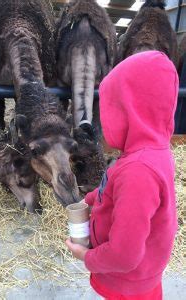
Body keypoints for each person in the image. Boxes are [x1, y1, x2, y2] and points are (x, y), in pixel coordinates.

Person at [66, 50, 179, 300]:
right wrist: (92, 198)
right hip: (140, 275)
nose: (105, 120)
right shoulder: (148, 151)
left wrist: (88, 257)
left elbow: (125, 254)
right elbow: (116, 191)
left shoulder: (138, 170)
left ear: (130, 110)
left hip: (127, 284)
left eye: (111, 108)